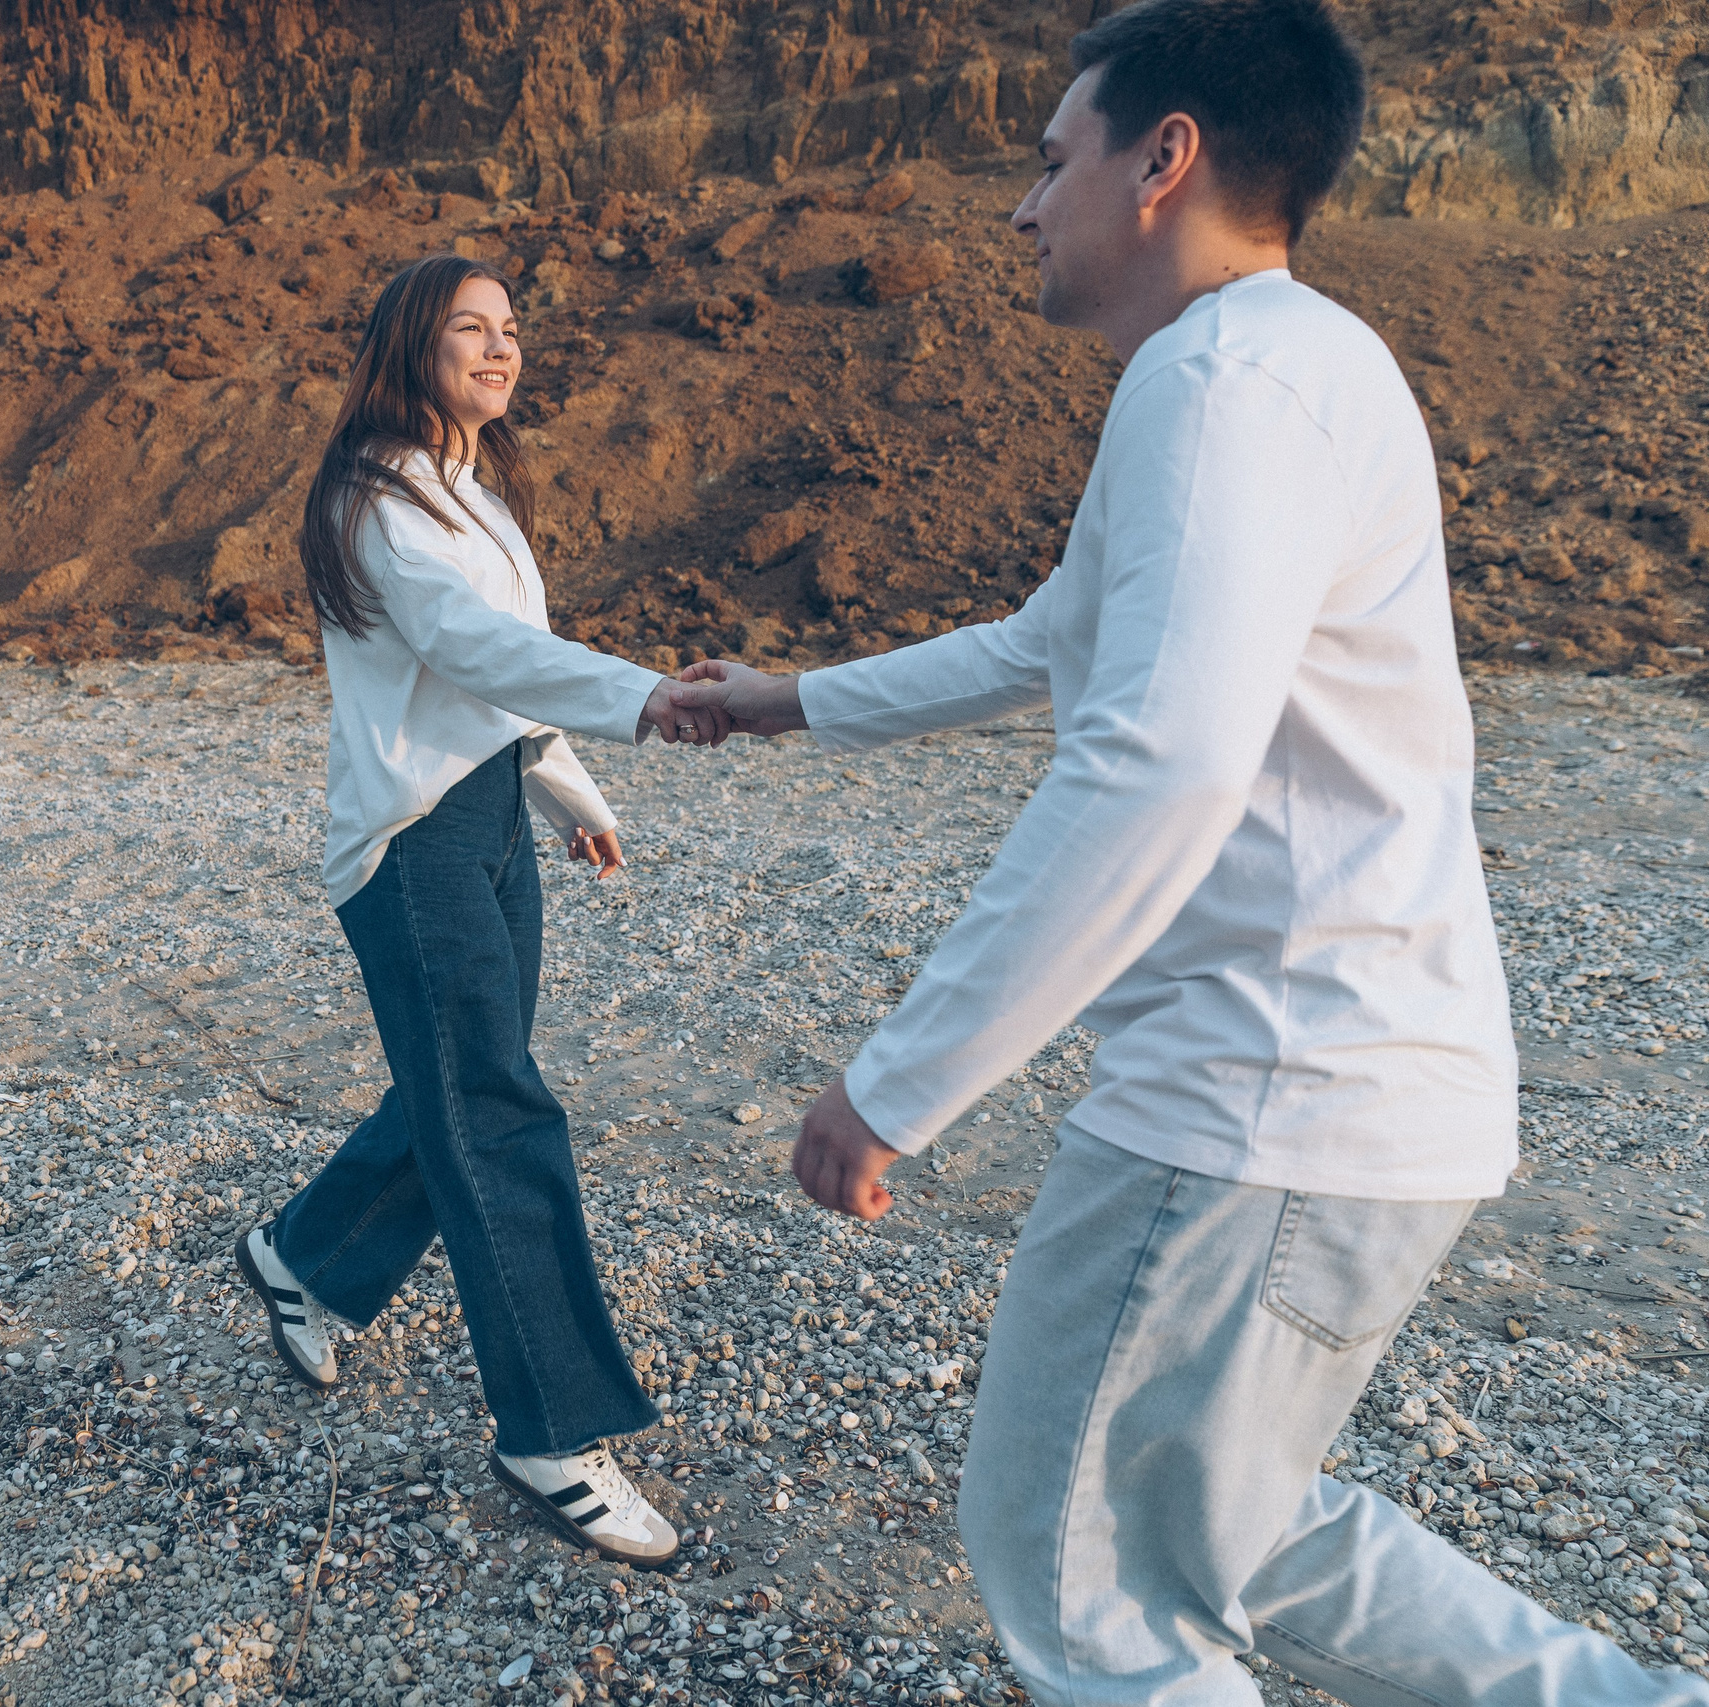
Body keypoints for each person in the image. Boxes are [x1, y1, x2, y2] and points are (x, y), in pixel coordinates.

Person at [667, 0, 1709, 1699]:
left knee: (1079, 1577)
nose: (1024, 206)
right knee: (1231, 1525)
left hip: (1257, 1099)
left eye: (1051, 157)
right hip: (1366, 1093)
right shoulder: (1298, 366)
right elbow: (1046, 640)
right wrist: (786, 699)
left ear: (1166, 160)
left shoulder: (1222, 386)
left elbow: (1162, 765)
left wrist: (901, 1080)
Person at [231, 253, 720, 1570]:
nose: (501, 351)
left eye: (511, 331)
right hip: (412, 840)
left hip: (491, 811)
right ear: (411, 343)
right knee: (493, 1109)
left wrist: (566, 786)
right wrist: (641, 694)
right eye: (472, 330)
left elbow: (490, 687)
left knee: (465, 1085)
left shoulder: (471, 490)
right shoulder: (378, 494)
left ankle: (307, 1260)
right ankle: (550, 1429)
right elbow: (468, 648)